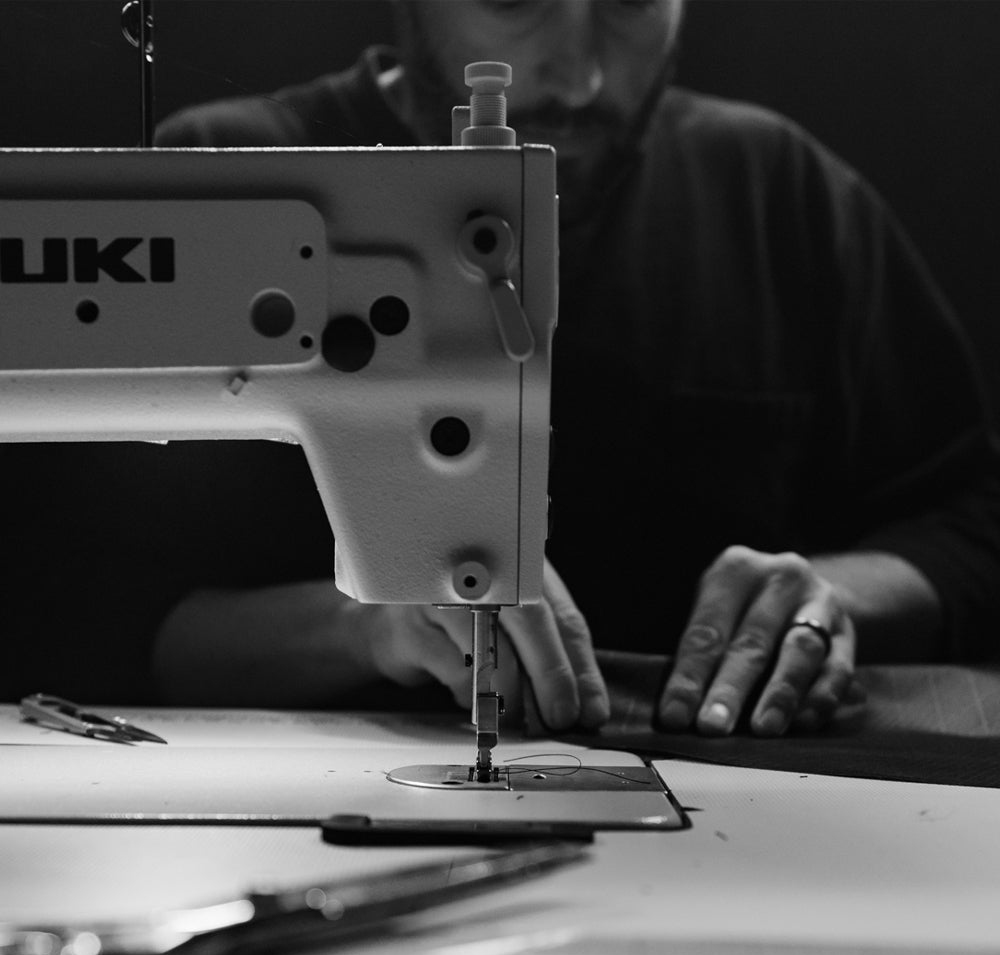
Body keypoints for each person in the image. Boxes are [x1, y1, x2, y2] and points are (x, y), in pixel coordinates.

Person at [149, 0, 1000, 738]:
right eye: (515, 0)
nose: (582, 75)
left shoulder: (778, 192)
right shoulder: (226, 183)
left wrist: (834, 598)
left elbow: (973, 522)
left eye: (631, 1)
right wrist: (364, 624)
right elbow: (106, 610)